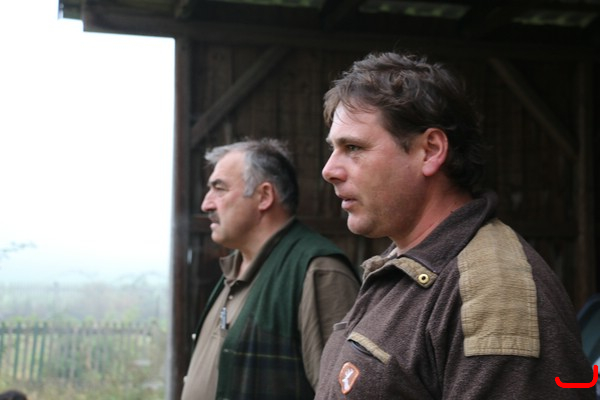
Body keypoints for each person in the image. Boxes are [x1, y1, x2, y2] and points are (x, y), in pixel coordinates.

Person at [315, 52, 595, 399]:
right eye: (334, 148)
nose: (329, 170)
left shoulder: (492, 290)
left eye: (353, 147)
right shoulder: (407, 265)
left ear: (430, 150)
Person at [181, 138, 360, 400]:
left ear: (264, 196)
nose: (206, 204)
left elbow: (342, 393)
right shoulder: (235, 267)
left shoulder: (318, 272)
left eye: (219, 189)